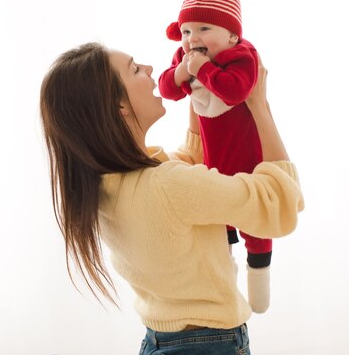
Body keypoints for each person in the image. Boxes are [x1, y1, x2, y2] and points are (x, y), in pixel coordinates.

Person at [39, 42, 303, 354]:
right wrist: (259, 105)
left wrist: (198, 89)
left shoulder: (107, 187)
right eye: (135, 69)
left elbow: (191, 165)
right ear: (118, 106)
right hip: (209, 346)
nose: (150, 70)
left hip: (161, 342)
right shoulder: (167, 186)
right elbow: (279, 202)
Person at [158, 0, 272, 313]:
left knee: (255, 224)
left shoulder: (243, 55)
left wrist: (204, 69)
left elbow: (236, 90)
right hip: (212, 162)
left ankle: (259, 283)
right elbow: (167, 89)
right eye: (187, 31)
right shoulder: (185, 56)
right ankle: (227, 283)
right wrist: (182, 73)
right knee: (219, 231)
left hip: (250, 161)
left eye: (204, 29)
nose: (193, 39)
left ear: (232, 34)